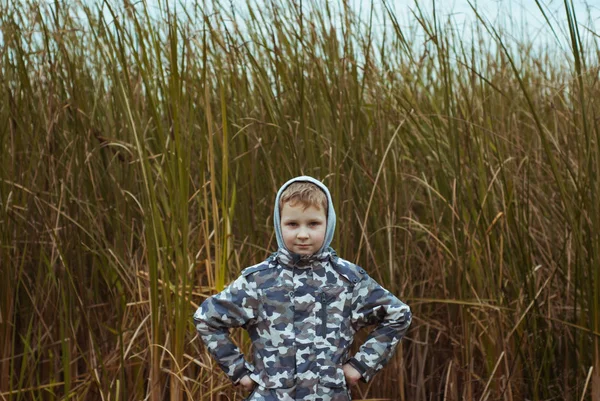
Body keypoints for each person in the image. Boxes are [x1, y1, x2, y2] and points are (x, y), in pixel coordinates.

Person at [193, 176, 412, 401]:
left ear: (329, 223)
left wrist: (360, 366)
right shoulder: (258, 280)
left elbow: (398, 314)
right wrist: (240, 372)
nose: (303, 234)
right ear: (279, 224)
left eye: (313, 224)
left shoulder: (348, 281)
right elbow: (207, 318)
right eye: (292, 224)